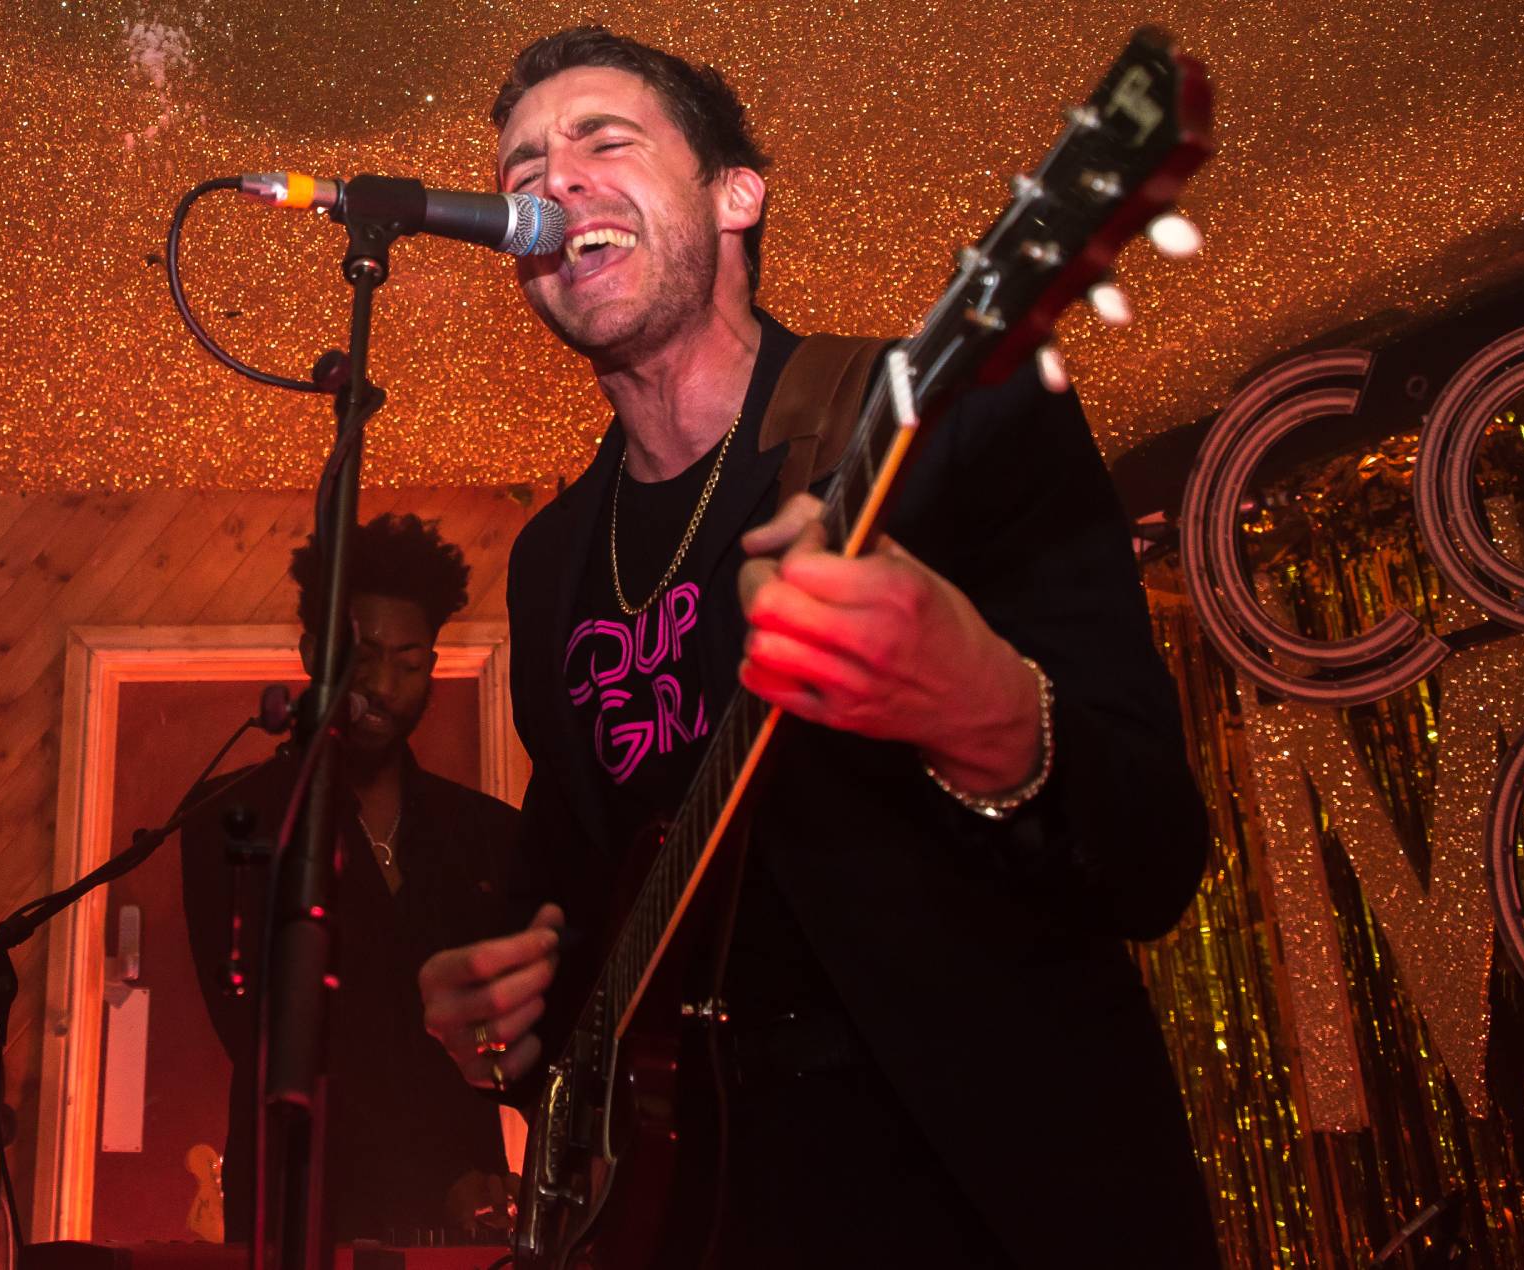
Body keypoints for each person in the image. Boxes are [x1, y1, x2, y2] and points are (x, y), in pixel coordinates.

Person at [416, 27, 1218, 1268]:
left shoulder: (948, 425)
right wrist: (508, 1009)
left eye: (602, 142)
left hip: (978, 1189)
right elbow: (579, 883)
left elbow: (1153, 852)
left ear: (737, 194)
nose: (547, 183)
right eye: (523, 166)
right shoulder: (552, 559)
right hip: (684, 1211)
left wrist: (986, 710)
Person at [180, 513, 520, 1245]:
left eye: (410, 661)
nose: (382, 686)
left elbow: (512, 1035)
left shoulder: (486, 834)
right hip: (299, 1206)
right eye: (363, 655)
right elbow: (266, 1036)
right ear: (313, 652)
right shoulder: (231, 817)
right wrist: (436, 1176)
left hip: (466, 1219)